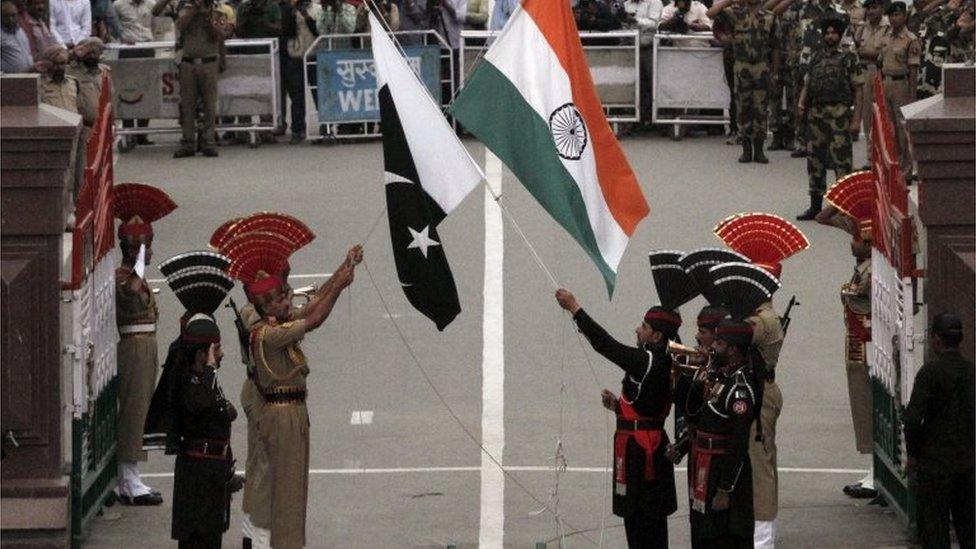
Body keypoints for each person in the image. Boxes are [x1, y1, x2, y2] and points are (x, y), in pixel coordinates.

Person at [224, 235, 362, 549]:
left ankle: (268, 540)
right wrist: (339, 284)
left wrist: (343, 269)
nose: (289, 303)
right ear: (264, 305)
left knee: (286, 485)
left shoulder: (274, 322)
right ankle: (261, 542)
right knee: (276, 487)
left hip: (290, 411)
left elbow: (310, 308)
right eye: (281, 299)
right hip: (279, 413)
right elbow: (313, 318)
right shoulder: (268, 333)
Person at [555, 289, 678, 549]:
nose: (637, 329)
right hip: (651, 445)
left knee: (641, 524)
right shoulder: (667, 360)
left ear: (656, 335)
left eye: (644, 326)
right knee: (650, 525)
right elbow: (650, 407)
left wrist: (575, 308)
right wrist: (619, 409)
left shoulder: (648, 361)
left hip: (642, 455)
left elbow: (605, 345)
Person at [113, 183, 178, 506]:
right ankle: (128, 480)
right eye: (146, 245)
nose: (151, 251)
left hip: (145, 346)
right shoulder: (123, 277)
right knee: (134, 412)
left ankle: (131, 475)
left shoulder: (132, 275)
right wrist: (139, 255)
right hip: (134, 348)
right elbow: (130, 291)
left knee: (141, 411)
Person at [815, 175, 877, 499]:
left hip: (868, 346)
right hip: (857, 344)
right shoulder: (865, 258)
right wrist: (848, 202)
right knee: (862, 403)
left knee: (869, 405)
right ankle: (873, 468)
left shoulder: (872, 272)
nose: (850, 242)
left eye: (856, 238)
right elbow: (823, 217)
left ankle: (874, 471)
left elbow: (855, 298)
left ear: (868, 242)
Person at [685, 319, 758, 548]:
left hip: (722, 475)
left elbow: (737, 444)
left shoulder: (740, 390)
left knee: (722, 536)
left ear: (733, 349)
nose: (712, 346)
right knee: (704, 534)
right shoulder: (721, 377)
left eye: (718, 342)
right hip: (707, 469)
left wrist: (725, 489)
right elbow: (696, 416)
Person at [904, 313, 975, 549]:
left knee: (934, 531)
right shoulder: (972, 372)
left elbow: (913, 419)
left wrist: (913, 454)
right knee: (969, 530)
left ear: (936, 339)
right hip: (968, 463)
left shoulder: (929, 373)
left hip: (935, 464)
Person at [795, 15, 863, 220]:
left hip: (839, 115)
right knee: (815, 161)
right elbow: (807, 83)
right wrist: (801, 103)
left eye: (834, 33)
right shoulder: (816, 57)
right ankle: (815, 204)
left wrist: (856, 120)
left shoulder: (848, 58)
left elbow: (858, 89)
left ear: (840, 36)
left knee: (842, 163)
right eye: (827, 33)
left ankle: (844, 207)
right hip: (816, 115)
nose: (830, 36)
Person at [707, 0, 780, 164]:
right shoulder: (734, 13)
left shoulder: (770, 17)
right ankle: (746, 149)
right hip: (741, 65)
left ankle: (759, 150)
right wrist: (730, 1)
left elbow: (775, 46)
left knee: (761, 109)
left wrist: (775, 73)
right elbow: (709, 14)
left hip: (762, 66)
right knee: (743, 108)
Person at [174, 0, 231, 158]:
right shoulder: (186, 11)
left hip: (209, 62)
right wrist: (194, 11)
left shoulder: (218, 13)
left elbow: (221, 35)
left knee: (209, 105)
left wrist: (207, 18)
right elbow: (180, 27)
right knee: (188, 105)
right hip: (188, 63)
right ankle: (188, 142)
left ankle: (208, 142)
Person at [878, 1, 920, 180]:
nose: (894, 18)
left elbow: (914, 71)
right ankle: (893, 165)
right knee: (889, 127)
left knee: (903, 129)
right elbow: (880, 62)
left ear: (904, 16)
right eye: (891, 15)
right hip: (886, 82)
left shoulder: (910, 39)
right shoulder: (886, 36)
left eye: (898, 15)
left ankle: (906, 169)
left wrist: (912, 96)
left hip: (901, 84)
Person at [279, 0, 321, 144]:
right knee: (297, 96)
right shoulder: (290, 11)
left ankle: (324, 128)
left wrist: (306, 15)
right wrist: (292, 12)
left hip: (313, 55)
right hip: (295, 56)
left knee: (319, 93)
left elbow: (318, 31)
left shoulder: (317, 9)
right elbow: (285, 31)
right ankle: (297, 129)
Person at [852, 0, 888, 167]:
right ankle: (870, 158)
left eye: (875, 7)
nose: (871, 11)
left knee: (883, 115)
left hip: (880, 72)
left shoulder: (887, 27)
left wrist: (868, 53)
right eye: (869, 8)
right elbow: (855, 50)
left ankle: (885, 157)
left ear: (881, 8)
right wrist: (867, 54)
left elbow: (884, 53)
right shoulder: (861, 28)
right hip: (864, 72)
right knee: (867, 116)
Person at [67, 37, 111, 127]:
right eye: (88, 53)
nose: (91, 56)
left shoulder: (105, 70)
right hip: (84, 126)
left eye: (94, 52)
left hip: (104, 125)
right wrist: (73, 53)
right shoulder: (70, 71)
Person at [35, 45, 79, 113]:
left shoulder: (73, 82)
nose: (59, 67)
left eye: (62, 63)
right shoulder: (38, 84)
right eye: (55, 64)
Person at [1, 0, 34, 73]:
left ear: (17, 15)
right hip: (10, 79)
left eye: (13, 15)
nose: (10, 19)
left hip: (29, 75)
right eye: (6, 16)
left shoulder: (20, 31)